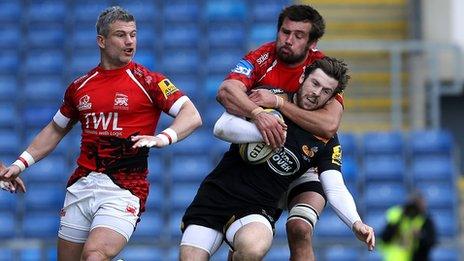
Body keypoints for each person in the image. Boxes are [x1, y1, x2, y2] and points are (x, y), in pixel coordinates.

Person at [0, 6, 202, 261]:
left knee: (94, 256)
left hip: (124, 188)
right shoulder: (79, 87)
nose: (129, 42)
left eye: (133, 34)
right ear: (101, 41)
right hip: (81, 185)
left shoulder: (148, 81)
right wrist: (20, 164)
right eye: (121, 35)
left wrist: (163, 137)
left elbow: (191, 114)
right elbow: (55, 128)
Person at [180, 57, 375, 260]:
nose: (317, 93)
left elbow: (335, 187)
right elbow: (221, 127)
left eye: (326, 91)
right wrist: (263, 131)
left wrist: (356, 222)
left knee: (253, 249)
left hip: (257, 208)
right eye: (314, 83)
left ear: (331, 99)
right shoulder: (268, 97)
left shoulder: (325, 139)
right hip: (217, 195)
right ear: (302, 78)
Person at [216, 4, 346, 260]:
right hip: (262, 159)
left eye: (298, 35)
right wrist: (258, 115)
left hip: (304, 161)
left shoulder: (322, 72)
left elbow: (329, 125)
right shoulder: (262, 57)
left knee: (300, 229)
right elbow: (226, 92)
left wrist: (278, 104)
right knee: (246, 248)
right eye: (285, 32)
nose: (288, 40)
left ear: (313, 43)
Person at [380, 191, 437, 261]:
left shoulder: (425, 220)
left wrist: (420, 235)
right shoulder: (396, 215)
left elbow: (431, 242)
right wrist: (396, 225)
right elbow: (384, 238)